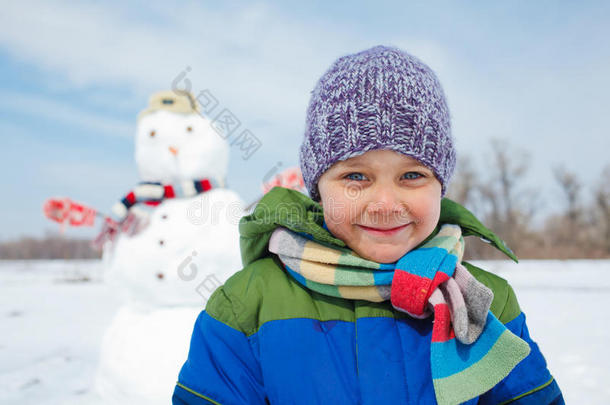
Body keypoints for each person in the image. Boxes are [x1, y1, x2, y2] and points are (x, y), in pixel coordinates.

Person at [173, 46, 563, 404]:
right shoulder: (245, 307)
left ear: (441, 186)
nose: (385, 204)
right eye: (356, 177)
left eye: (411, 176)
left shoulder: (482, 300)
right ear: (318, 188)